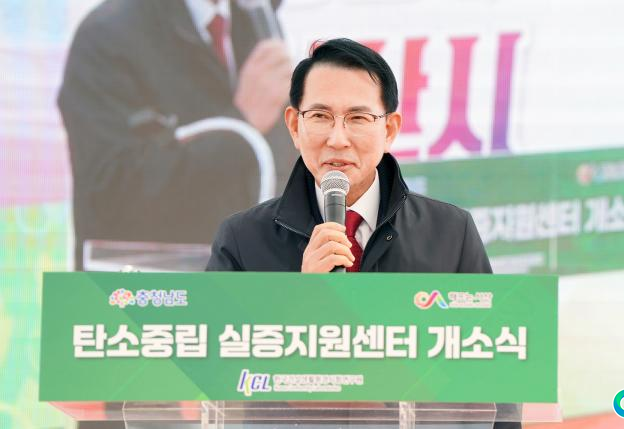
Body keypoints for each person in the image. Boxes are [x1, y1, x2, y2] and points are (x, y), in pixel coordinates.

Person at [206, 38, 521, 429]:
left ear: (390, 129)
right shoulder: (242, 239)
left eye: (357, 118)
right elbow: (215, 381)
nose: (338, 138)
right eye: (320, 116)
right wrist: (298, 303)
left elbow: (493, 380)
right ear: (294, 125)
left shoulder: (450, 233)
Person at [58, 0, 298, 270]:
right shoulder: (108, 34)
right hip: (144, 286)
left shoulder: (254, 21)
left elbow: (275, 168)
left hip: (245, 283)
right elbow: (111, 190)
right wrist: (241, 123)